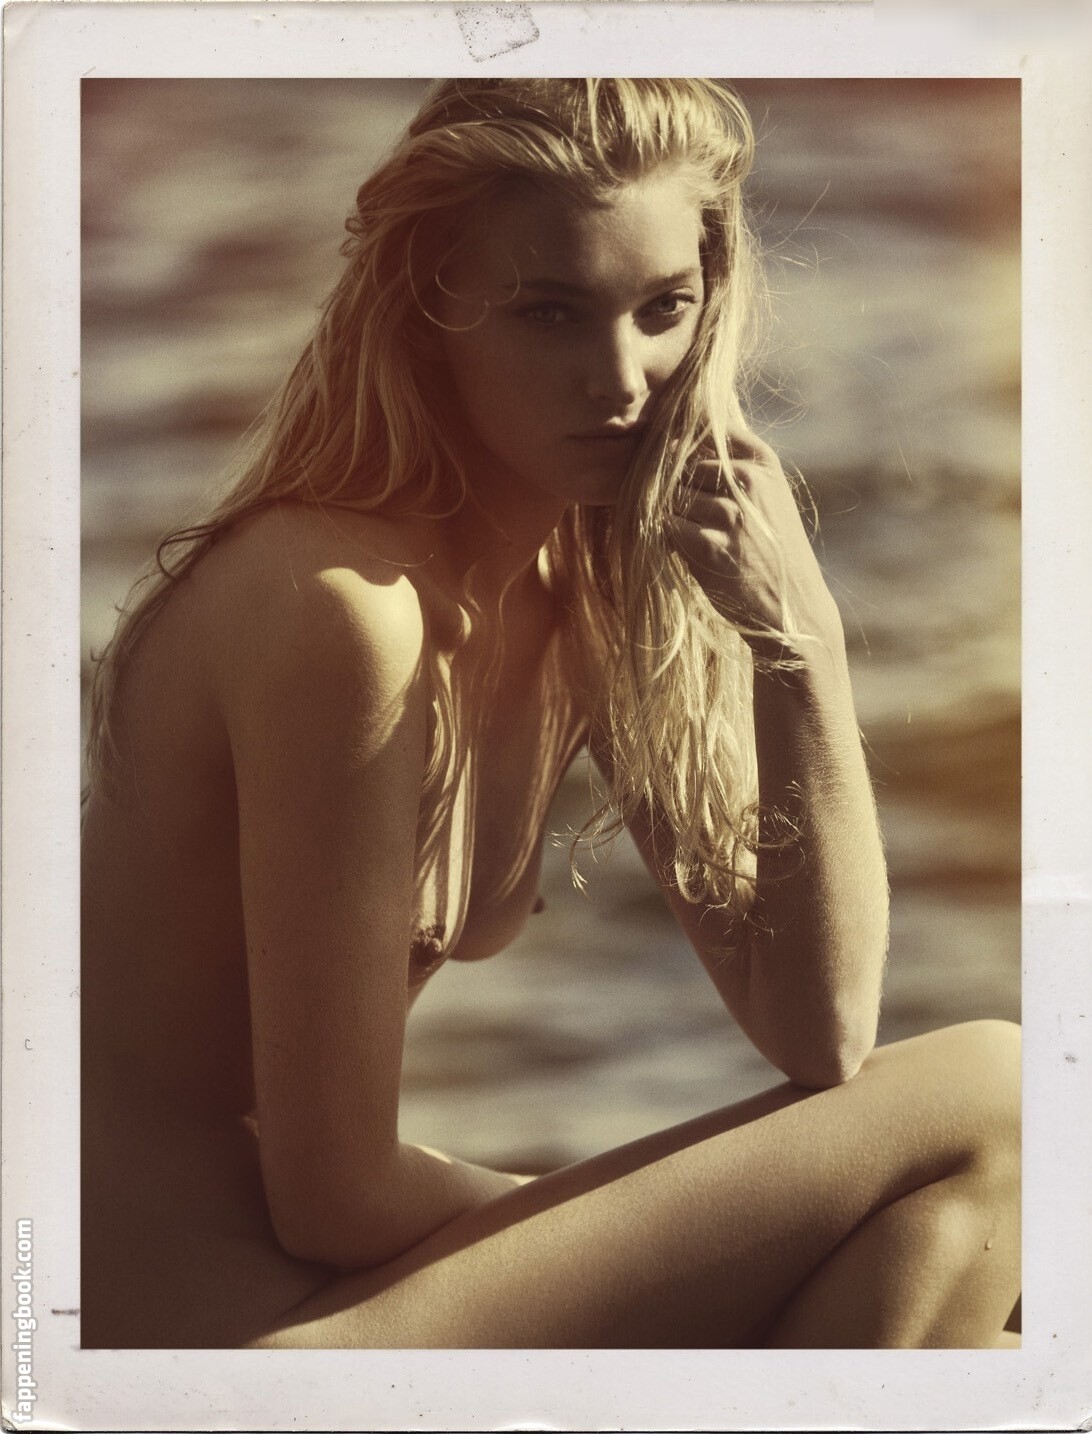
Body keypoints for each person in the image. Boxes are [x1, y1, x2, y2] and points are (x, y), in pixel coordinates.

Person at [81, 77, 1020, 1350]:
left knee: (950, 1251)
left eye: (663, 309)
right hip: (197, 1339)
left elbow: (821, 1035)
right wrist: (721, 1245)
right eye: (548, 313)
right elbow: (333, 1199)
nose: (620, 380)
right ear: (428, 314)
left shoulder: (582, 599)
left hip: (322, 1310)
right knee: (1003, 1094)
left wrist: (801, 647)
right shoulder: (342, 612)